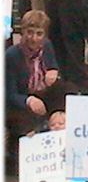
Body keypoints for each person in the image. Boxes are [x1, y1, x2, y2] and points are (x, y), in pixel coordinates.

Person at [5, 10, 75, 170]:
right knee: (24, 121)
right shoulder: (11, 55)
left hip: (43, 92)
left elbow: (53, 66)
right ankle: (23, 157)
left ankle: (62, 132)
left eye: (39, 33)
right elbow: (9, 93)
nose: (34, 38)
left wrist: (54, 71)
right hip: (20, 100)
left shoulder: (47, 46)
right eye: (29, 33)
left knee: (67, 89)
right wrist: (28, 100)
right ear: (22, 32)